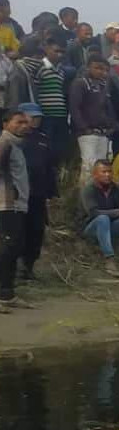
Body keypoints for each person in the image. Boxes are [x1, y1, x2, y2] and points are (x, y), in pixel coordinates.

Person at [0, 108, 33, 311]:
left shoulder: (17, 146)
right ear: (5, 124)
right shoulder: (4, 144)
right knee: (8, 248)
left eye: (25, 122)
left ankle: (7, 294)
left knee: (15, 248)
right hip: (6, 205)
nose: (23, 126)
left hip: (17, 205)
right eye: (18, 122)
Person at [18, 104, 53, 282]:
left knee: (37, 231)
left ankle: (29, 267)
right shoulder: (15, 139)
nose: (35, 120)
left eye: (37, 117)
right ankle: (15, 269)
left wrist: (52, 192)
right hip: (18, 195)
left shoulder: (43, 139)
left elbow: (49, 167)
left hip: (39, 194)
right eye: (31, 117)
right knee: (19, 231)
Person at [68, 56, 119, 171]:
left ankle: (98, 189)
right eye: (98, 68)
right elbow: (74, 107)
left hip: (103, 132)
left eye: (105, 70)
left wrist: (112, 125)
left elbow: (108, 109)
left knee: (102, 166)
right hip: (88, 132)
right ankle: (85, 189)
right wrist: (84, 127)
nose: (102, 72)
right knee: (89, 166)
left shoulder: (103, 86)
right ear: (88, 68)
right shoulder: (80, 83)